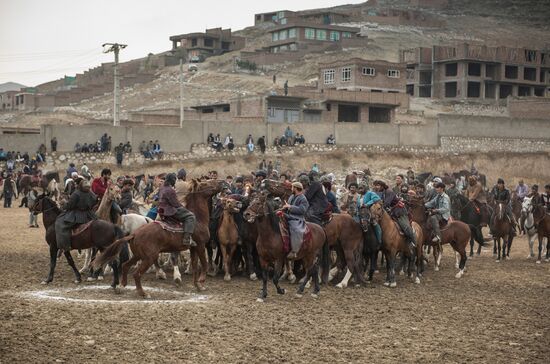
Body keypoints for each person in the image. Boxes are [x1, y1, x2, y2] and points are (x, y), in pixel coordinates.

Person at [55, 178, 97, 255]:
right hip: (89, 215)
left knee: (60, 224)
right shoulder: (91, 193)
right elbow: (94, 201)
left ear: (79, 185)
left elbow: (70, 206)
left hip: (76, 215)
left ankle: (64, 246)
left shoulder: (76, 194)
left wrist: (64, 203)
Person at [373, 180, 416, 251]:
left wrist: (379, 204)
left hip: (399, 211)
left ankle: (413, 241)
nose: (376, 187)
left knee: (405, 226)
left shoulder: (389, 192)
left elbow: (386, 203)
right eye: (375, 185)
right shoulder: (380, 192)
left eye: (378, 185)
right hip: (390, 212)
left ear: (382, 186)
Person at [158, 173, 196, 247]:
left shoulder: (162, 188)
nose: (175, 182)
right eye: (174, 180)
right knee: (191, 216)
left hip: (162, 210)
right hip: (169, 211)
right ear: (172, 180)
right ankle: (187, 239)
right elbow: (175, 204)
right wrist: (184, 208)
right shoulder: (170, 190)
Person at [281, 181, 308, 260]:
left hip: (296, 219)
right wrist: (284, 208)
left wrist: (290, 207)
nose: (291, 189)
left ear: (296, 188)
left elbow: (302, 210)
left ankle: (294, 251)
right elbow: (288, 206)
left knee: (295, 229)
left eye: (292, 187)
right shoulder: (291, 197)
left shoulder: (303, 198)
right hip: (288, 215)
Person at [355, 182, 382, 248]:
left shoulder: (370, 193)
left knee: (375, 225)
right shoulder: (359, 196)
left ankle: (379, 241)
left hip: (370, 212)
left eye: (362, 188)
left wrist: (367, 204)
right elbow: (358, 205)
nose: (361, 190)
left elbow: (377, 198)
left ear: (365, 188)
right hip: (361, 213)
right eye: (360, 188)